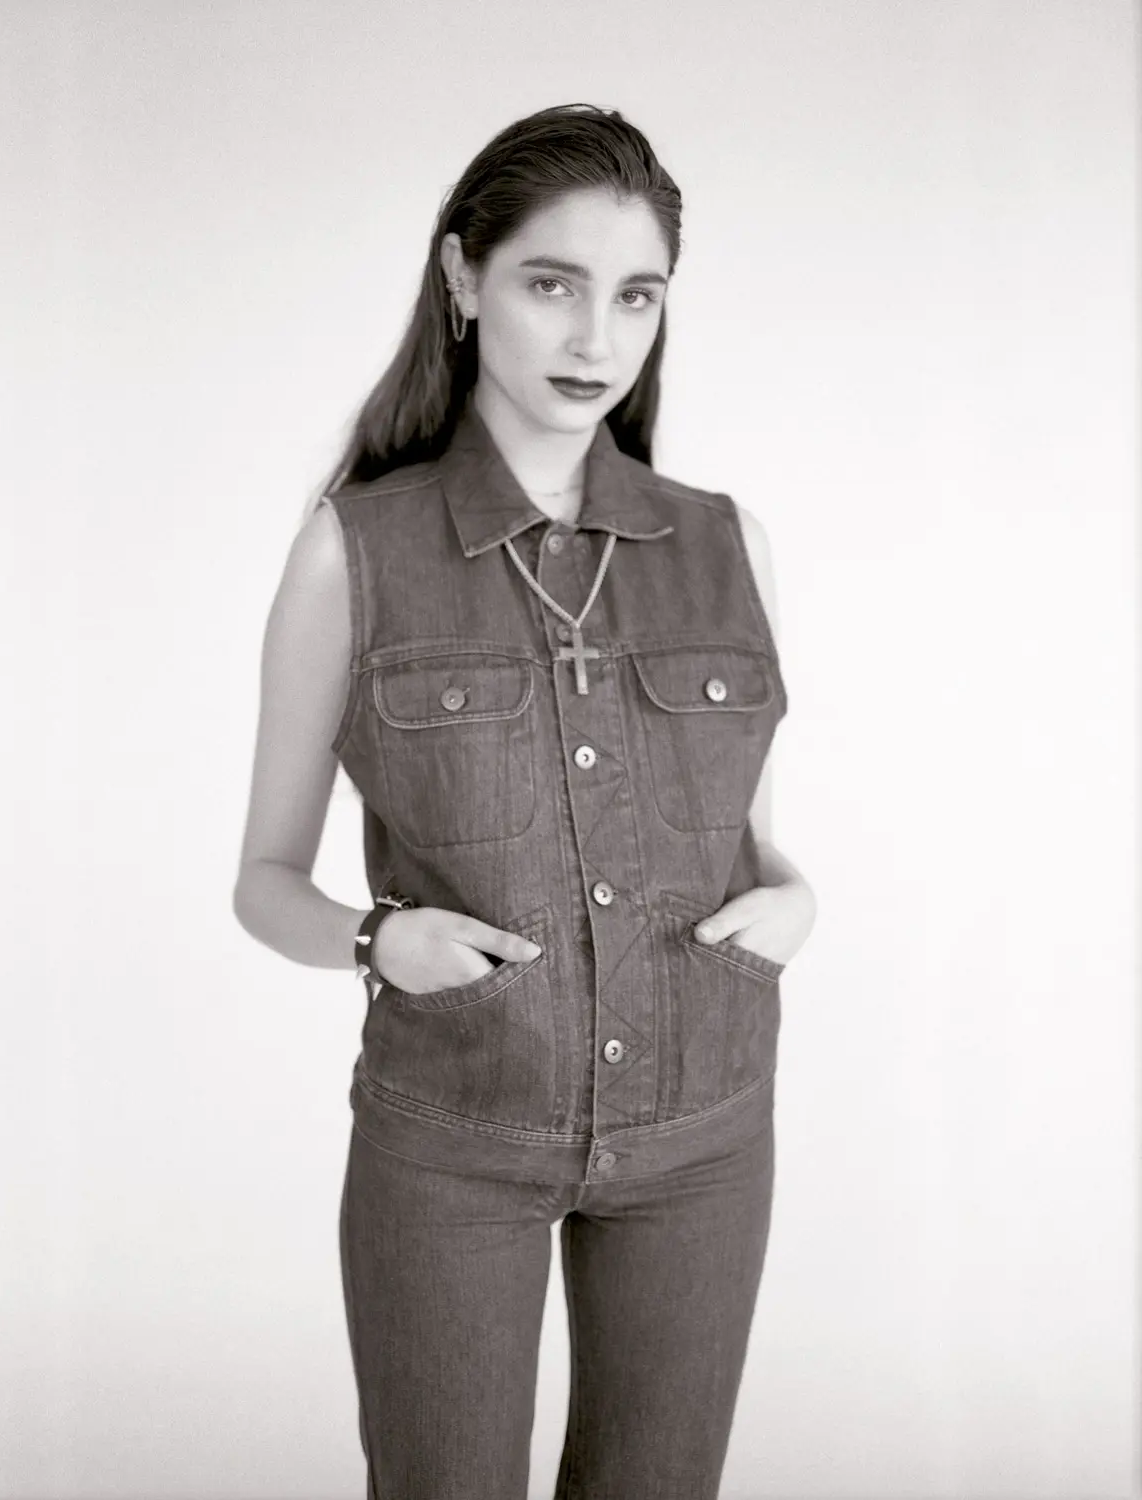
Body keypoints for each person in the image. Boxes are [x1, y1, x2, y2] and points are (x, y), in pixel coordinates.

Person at [233, 102, 817, 1500]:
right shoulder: (353, 551)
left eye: (636, 296)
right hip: (452, 1141)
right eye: (552, 284)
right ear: (462, 276)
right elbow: (263, 882)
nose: (595, 339)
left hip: (705, 1134)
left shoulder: (728, 544)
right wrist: (379, 942)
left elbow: (753, 836)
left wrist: (795, 899)